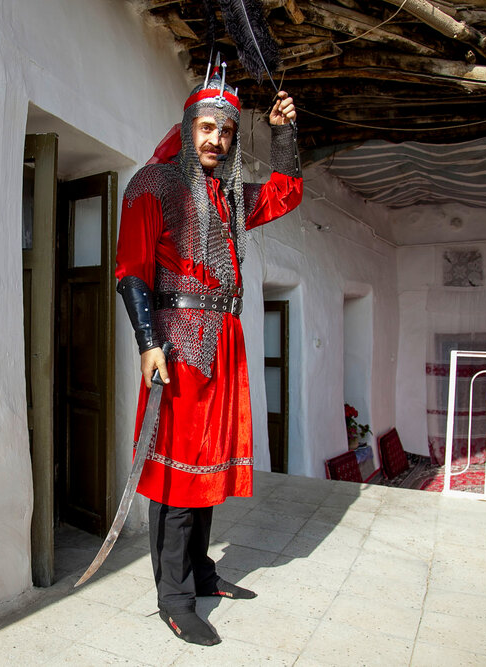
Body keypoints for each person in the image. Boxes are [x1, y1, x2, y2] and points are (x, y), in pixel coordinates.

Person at [114, 65, 303, 646]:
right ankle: (173, 599)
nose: (214, 139)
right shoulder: (154, 183)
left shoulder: (229, 195)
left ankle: (201, 574)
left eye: (225, 131)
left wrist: (284, 135)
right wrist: (148, 343)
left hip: (224, 340)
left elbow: (285, 193)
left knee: (209, 468)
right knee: (175, 476)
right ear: (188, 125)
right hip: (177, 339)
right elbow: (129, 271)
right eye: (205, 127)